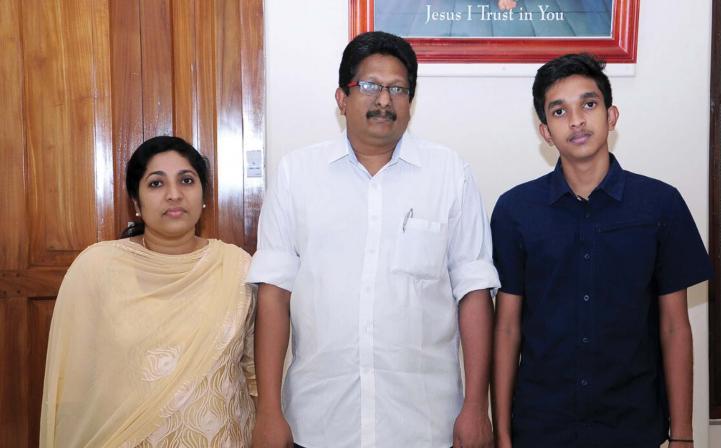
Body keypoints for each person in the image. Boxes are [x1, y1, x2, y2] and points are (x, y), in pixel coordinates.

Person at [247, 31, 499, 448]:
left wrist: (476, 408)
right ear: (342, 98)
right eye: (369, 86)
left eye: (398, 89)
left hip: (424, 424)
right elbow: (274, 294)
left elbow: (473, 293)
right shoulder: (297, 175)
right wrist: (269, 412)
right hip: (320, 421)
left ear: (411, 102)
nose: (384, 100)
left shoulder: (449, 174)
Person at [491, 54, 713, 448]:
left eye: (588, 105)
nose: (576, 120)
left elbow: (675, 326)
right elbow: (507, 327)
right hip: (542, 427)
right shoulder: (515, 211)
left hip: (633, 424)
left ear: (611, 116)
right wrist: (503, 434)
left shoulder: (660, 205)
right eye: (560, 111)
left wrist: (682, 435)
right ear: (545, 131)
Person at [40, 136, 257, 447]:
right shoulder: (98, 268)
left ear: (204, 196)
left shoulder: (235, 266)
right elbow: (72, 386)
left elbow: (253, 371)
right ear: (136, 203)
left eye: (186, 180)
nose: (173, 194)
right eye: (156, 184)